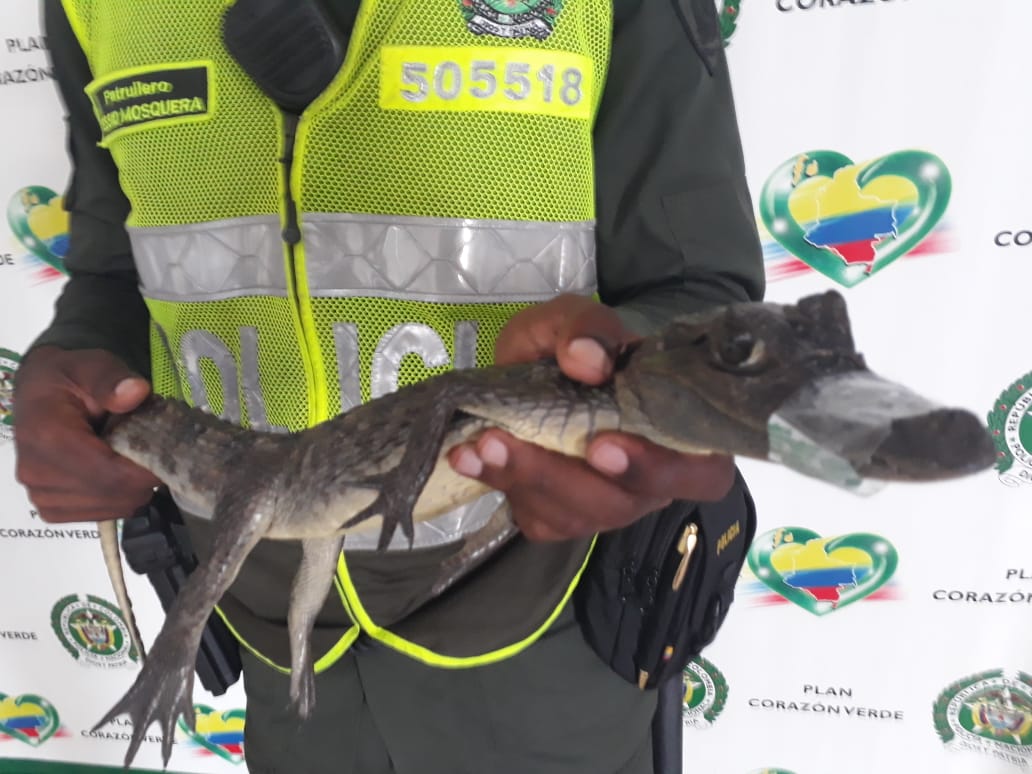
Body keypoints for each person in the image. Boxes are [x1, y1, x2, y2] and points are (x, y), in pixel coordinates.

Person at [15, 1, 764, 772]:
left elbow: (697, 289)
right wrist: (76, 354)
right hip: (277, 640)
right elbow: (114, 264)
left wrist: (635, 387)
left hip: (545, 622)